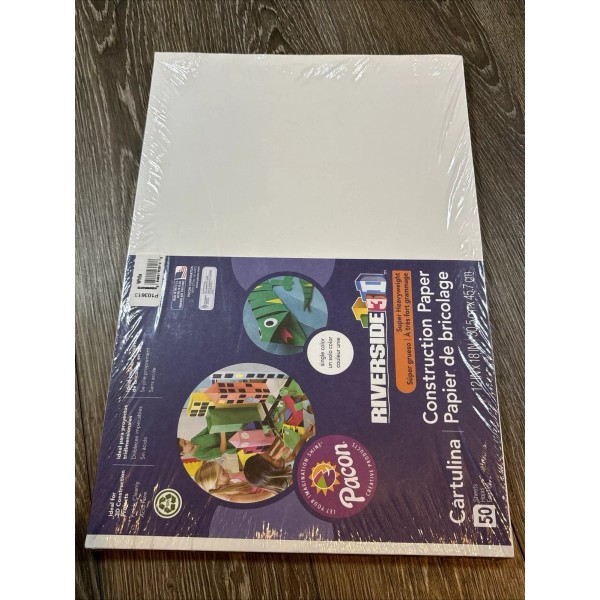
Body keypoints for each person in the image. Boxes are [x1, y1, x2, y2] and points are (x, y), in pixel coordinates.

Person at [194, 461, 276, 503]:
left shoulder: (226, 480)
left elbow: (244, 474)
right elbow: (268, 496)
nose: (226, 471)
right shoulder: (234, 499)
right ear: (216, 485)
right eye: (223, 473)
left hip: (268, 483)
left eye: (223, 469)